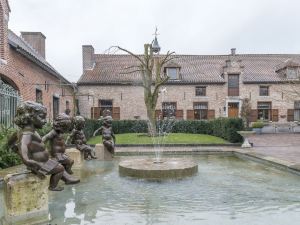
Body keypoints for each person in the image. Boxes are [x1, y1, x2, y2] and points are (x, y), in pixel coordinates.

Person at [14, 101, 79, 191]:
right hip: (38, 165)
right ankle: (53, 186)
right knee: (59, 168)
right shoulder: (27, 135)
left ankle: (67, 179)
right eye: (42, 117)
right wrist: (33, 164)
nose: (45, 121)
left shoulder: (32, 131)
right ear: (29, 117)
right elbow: (24, 152)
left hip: (43, 162)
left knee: (57, 164)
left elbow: (15, 142)